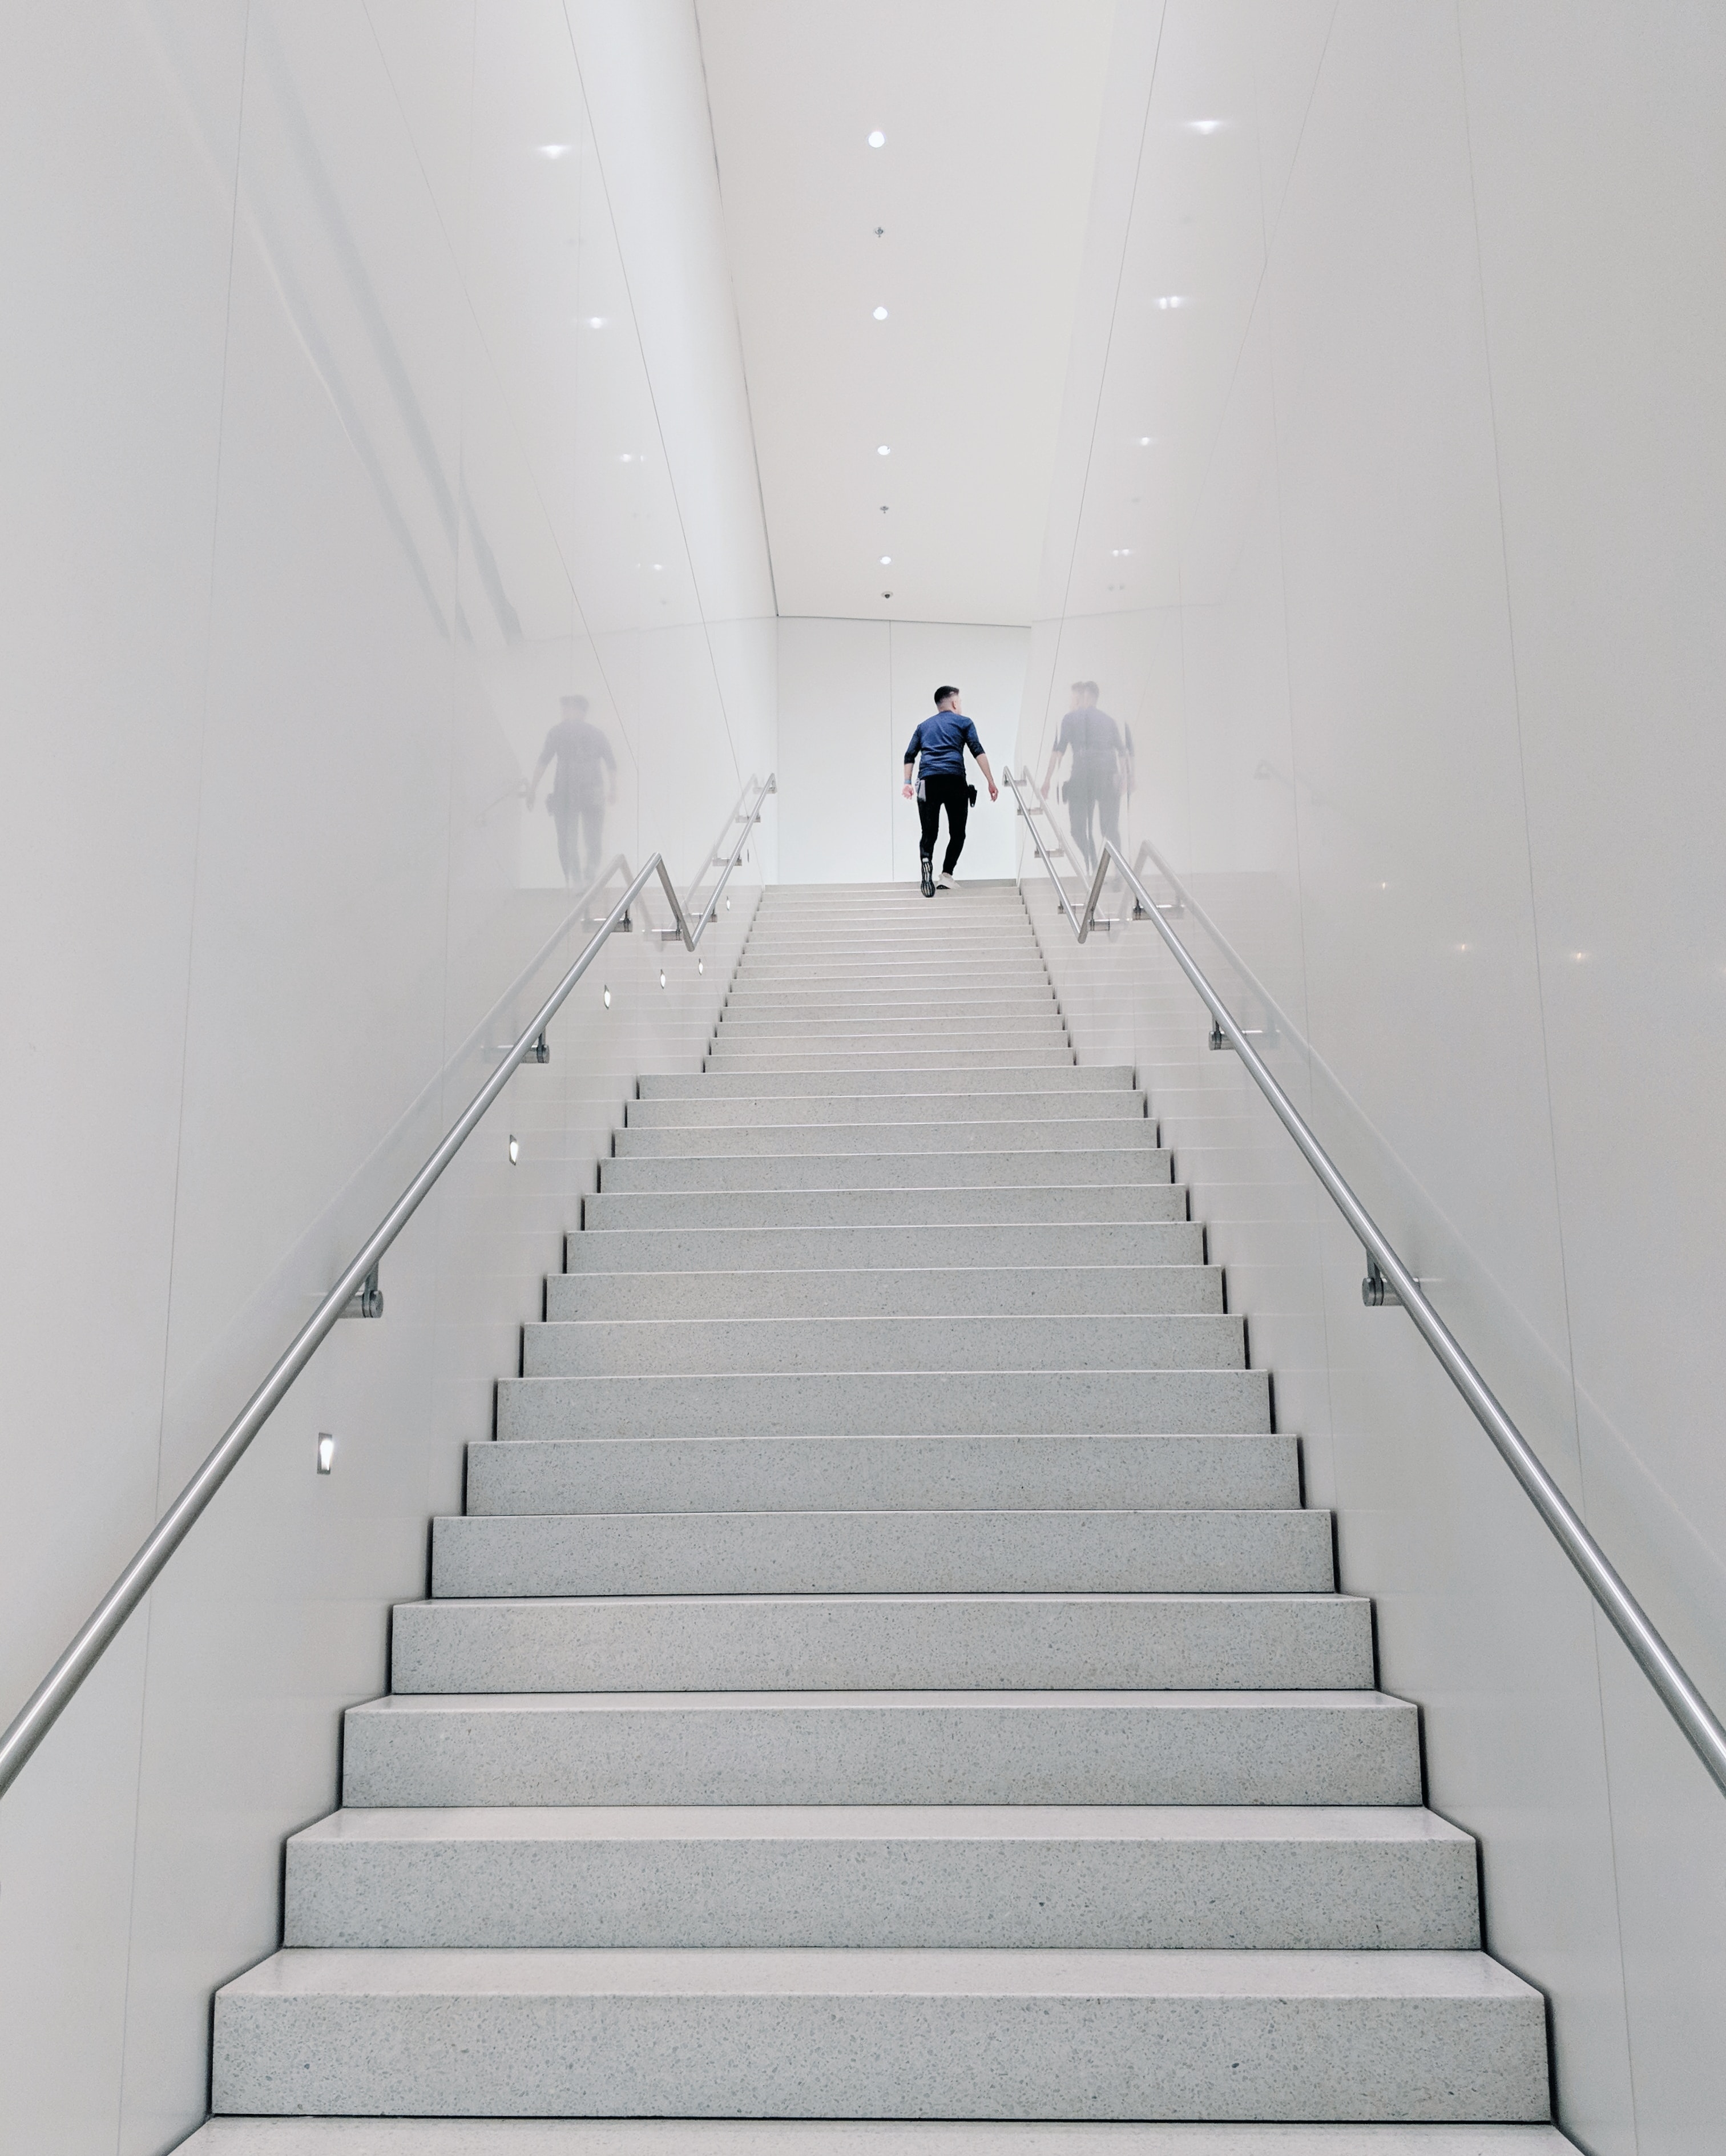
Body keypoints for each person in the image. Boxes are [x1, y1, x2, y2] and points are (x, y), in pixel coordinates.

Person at [902, 684, 998, 895]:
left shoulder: (923, 726)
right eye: (960, 701)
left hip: (927, 782)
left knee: (929, 832)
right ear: (954, 703)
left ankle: (926, 860)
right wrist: (990, 781)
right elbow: (977, 751)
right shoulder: (964, 722)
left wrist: (907, 782)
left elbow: (909, 755)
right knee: (957, 833)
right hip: (954, 780)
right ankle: (946, 875)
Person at [526, 694, 616, 886]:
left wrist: (533, 789)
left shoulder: (558, 733)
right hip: (591, 791)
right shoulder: (595, 734)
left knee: (569, 838)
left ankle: (578, 878)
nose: (564, 712)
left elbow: (543, 761)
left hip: (567, 792)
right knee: (591, 837)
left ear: (580, 712)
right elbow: (611, 763)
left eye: (568, 708)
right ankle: (587, 873)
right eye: (564, 708)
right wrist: (613, 789)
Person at [1042, 680, 1130, 874]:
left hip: (1082, 778)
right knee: (1110, 829)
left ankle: (1093, 861)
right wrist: (1124, 778)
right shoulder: (1109, 721)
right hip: (1108, 776)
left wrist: (1048, 780)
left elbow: (1058, 752)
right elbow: (1122, 753)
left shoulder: (1070, 719)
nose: (1073, 702)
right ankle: (1119, 873)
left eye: (1076, 698)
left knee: (1078, 829)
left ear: (1085, 697)